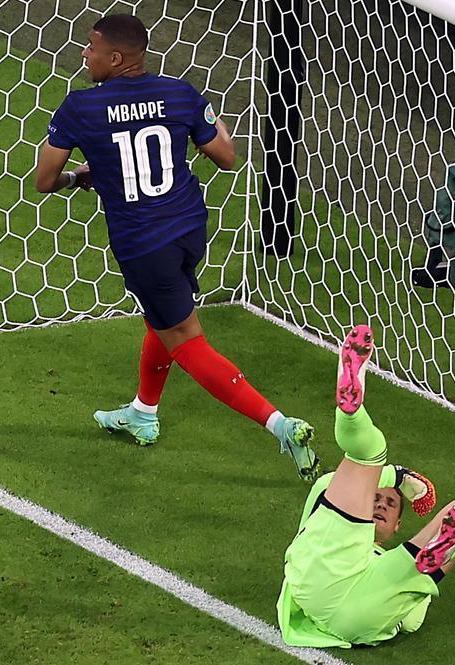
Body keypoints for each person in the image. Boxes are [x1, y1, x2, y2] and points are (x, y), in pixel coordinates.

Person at [33, 13, 318, 480]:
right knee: (163, 318)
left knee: (185, 338)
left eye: (91, 46)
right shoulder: (180, 92)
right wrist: (204, 114)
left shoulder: (79, 108)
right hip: (189, 227)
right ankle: (143, 411)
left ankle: (280, 425)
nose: (84, 53)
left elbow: (45, 180)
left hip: (144, 245)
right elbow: (226, 156)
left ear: (116, 57)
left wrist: (78, 177)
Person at [277, 324, 455, 648]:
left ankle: (437, 545)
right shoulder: (331, 500)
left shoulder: (372, 547)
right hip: (345, 594)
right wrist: (399, 478)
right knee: (372, 460)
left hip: (318, 584)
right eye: (377, 498)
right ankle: (439, 550)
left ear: (397, 525)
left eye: (390, 505)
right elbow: (410, 622)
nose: (380, 505)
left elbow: (332, 483)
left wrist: (401, 478)